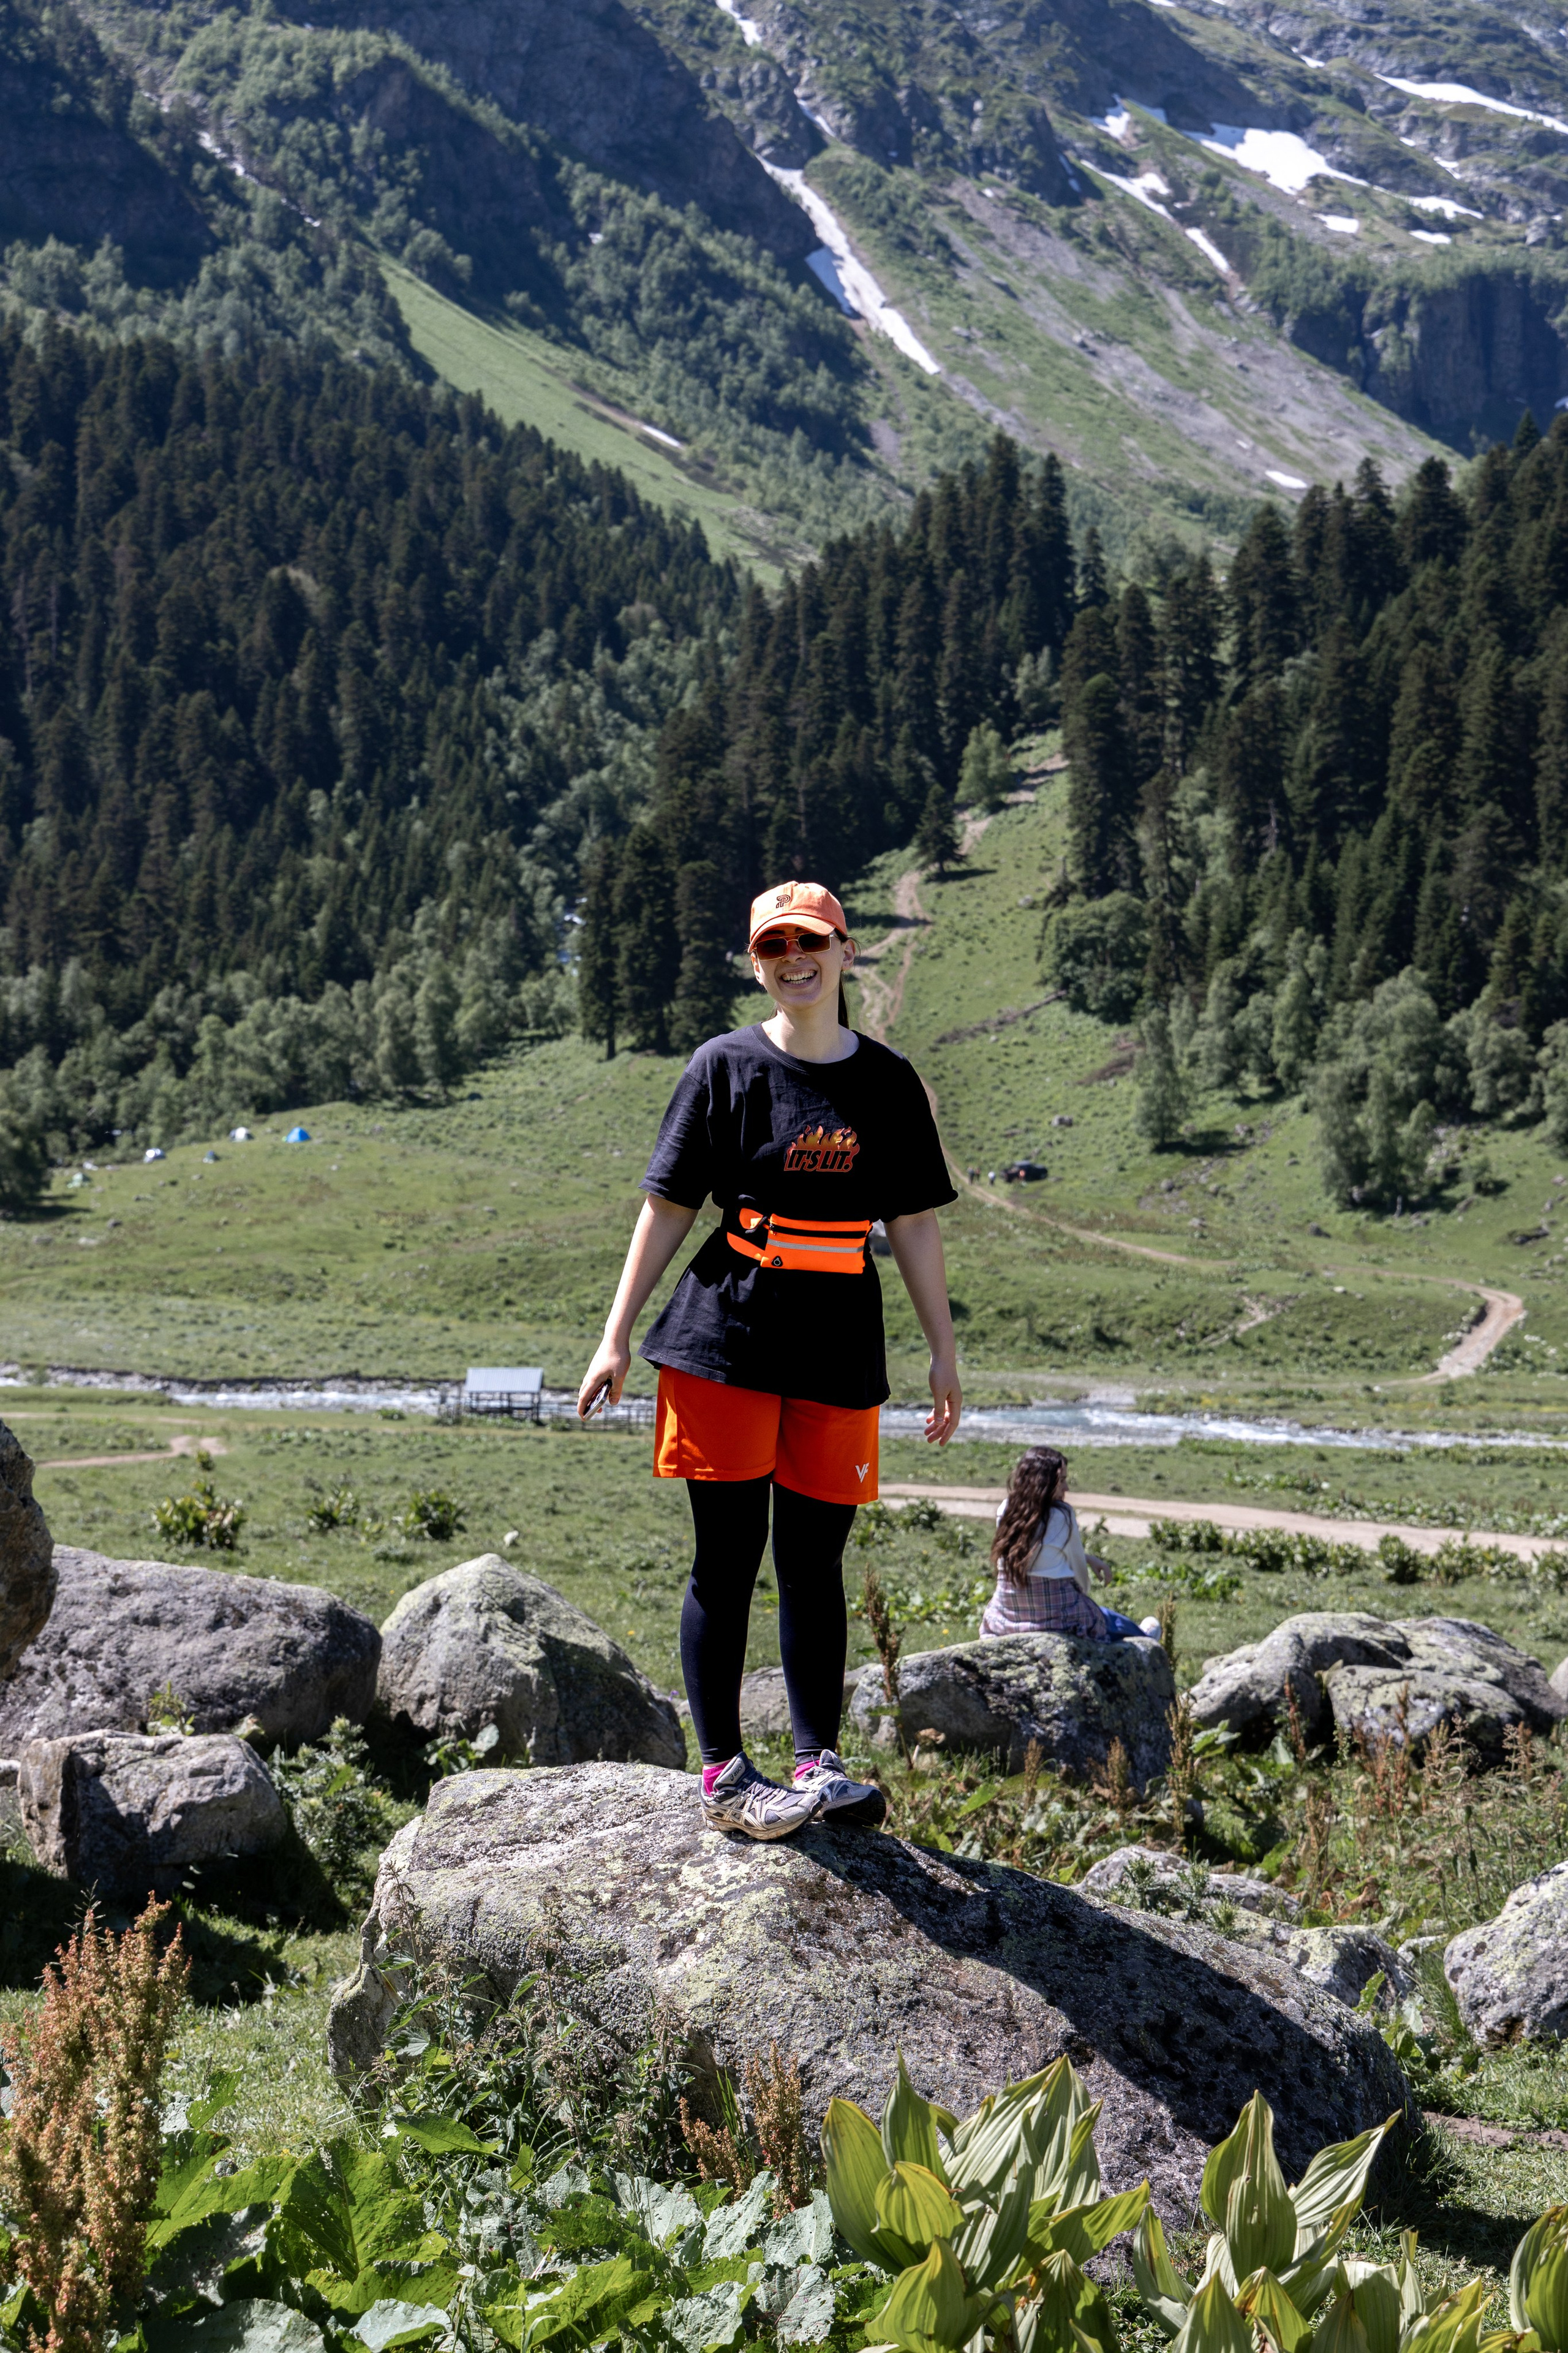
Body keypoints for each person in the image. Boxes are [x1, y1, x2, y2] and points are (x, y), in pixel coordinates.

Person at [577, 878, 962, 1840]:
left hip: (839, 1340)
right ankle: (722, 1773)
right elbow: (668, 1203)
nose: (795, 959)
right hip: (724, 1334)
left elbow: (911, 1223)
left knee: (816, 1560)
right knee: (728, 1558)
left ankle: (816, 1764)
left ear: (845, 952)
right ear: (758, 962)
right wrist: (614, 1334)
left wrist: (943, 1352)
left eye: (812, 942)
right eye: (774, 946)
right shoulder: (724, 1067)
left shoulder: (887, 1082)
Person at [981, 1445, 1160, 1641]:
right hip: (1057, 1616)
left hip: (1007, 1615)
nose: (1066, 1488)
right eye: (1063, 1480)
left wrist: (1088, 1558)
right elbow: (1080, 1576)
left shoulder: (1006, 1510)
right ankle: (1145, 1637)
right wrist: (1083, 1598)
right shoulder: (1062, 1515)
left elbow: (1035, 1555)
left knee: (1107, 1617)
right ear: (1044, 1482)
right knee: (1107, 1619)